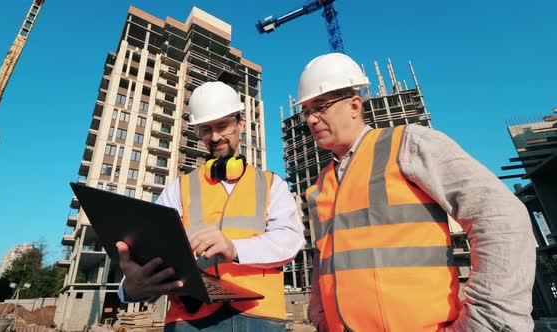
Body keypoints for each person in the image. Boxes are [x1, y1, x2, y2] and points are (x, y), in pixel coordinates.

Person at [297, 53, 536, 332]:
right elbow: (322, 260)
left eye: (320, 107)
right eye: (306, 112)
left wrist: (488, 320)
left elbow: (502, 217)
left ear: (354, 105)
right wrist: (319, 314)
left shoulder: (409, 144)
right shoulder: (320, 184)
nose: (311, 120)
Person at [116, 81, 305, 331]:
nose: (214, 137)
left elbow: (290, 241)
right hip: (189, 319)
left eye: (222, 126)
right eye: (205, 129)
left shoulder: (272, 184)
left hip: (260, 318)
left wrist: (234, 248)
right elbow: (151, 251)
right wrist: (127, 289)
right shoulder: (178, 189)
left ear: (240, 123)